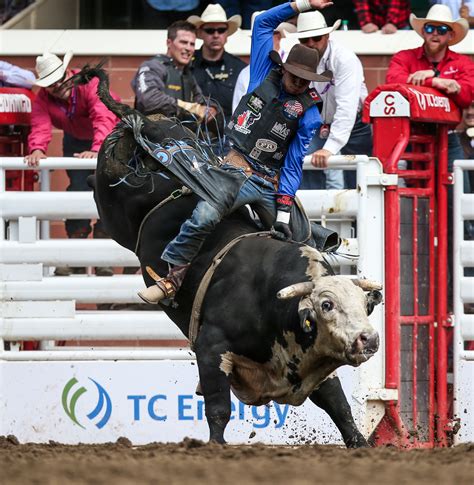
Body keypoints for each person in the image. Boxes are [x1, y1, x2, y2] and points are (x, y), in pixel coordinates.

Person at [138, 0, 333, 305]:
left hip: (269, 181)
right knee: (203, 216)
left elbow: (294, 163)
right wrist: (302, 5)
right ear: (283, 68)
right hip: (233, 169)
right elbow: (264, 23)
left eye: (305, 79)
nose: (298, 83)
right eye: (294, 75)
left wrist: (282, 210)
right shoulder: (261, 73)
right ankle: (171, 279)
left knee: (300, 234)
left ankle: (323, 292)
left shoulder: (308, 114)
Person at [386, 4, 474, 303]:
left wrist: (429, 79)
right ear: (423, 30)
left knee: (453, 219)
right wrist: (442, 84)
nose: (435, 33)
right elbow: (393, 86)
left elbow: (466, 93)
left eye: (441, 29)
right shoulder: (405, 57)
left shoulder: (462, 62)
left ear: (451, 34)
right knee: (415, 219)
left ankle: (452, 295)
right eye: (430, 28)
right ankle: (422, 289)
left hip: (447, 142)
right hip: (415, 144)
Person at [24, 51, 120, 277]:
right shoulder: (43, 99)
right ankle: (75, 253)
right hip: (76, 141)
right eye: (51, 83)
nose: (57, 85)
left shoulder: (90, 84)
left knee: (111, 188)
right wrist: (37, 149)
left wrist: (97, 149)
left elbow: (103, 116)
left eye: (59, 78)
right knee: (78, 187)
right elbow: (39, 125)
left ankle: (103, 254)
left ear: (68, 72)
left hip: (113, 136)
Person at [285, 9, 372, 189]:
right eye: (305, 40)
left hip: (354, 123)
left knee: (357, 178)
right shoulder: (297, 58)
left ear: (327, 35)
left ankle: (354, 218)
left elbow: (346, 108)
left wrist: (330, 147)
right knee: (304, 163)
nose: (311, 44)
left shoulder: (344, 58)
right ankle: (310, 217)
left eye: (316, 38)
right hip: (315, 122)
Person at [132, 20, 217, 124]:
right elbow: (149, 99)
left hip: (182, 135)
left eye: (192, 44)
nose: (188, 48)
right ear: (169, 43)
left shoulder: (187, 73)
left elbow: (199, 99)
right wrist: (189, 107)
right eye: (183, 42)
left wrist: (212, 107)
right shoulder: (153, 66)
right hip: (150, 134)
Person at [188, 4, 246, 121]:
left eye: (221, 30)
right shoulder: (186, 64)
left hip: (227, 134)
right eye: (209, 30)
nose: (216, 35)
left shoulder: (240, 69)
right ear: (200, 33)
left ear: (227, 34)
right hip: (189, 131)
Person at [232, 11, 297, 112]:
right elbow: (237, 111)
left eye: (269, 34)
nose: (263, 40)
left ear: (279, 36)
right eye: (259, 37)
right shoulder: (245, 74)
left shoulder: (293, 64)